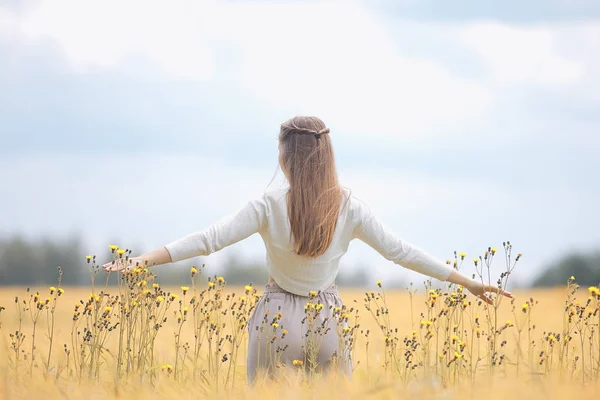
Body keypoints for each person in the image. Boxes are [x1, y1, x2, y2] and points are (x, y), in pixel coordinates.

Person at [102, 116, 512, 382]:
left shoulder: (267, 205)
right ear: (326, 155)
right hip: (329, 323)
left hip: (275, 321)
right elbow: (400, 251)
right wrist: (467, 282)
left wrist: (142, 260)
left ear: (284, 157)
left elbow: (208, 239)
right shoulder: (349, 206)